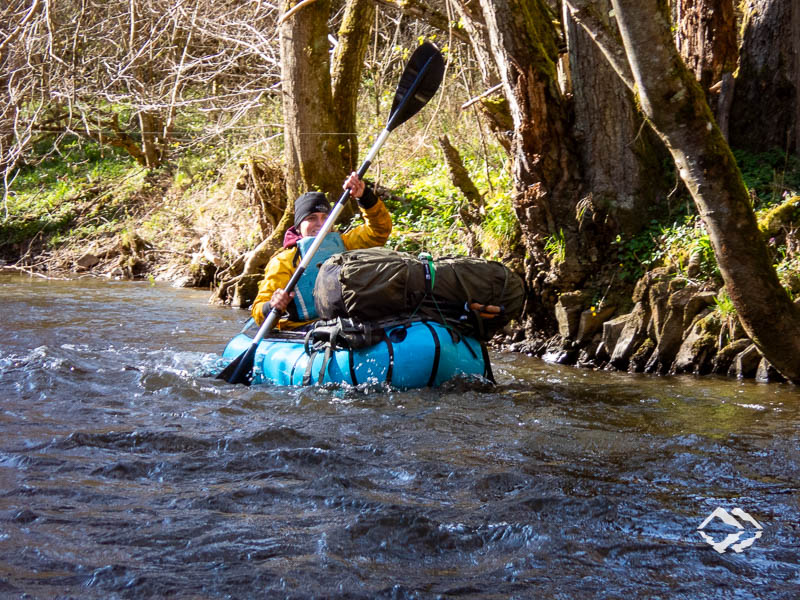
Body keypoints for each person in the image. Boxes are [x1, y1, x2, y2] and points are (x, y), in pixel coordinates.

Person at [251, 172, 392, 330]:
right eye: (311, 218)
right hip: (305, 328)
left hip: (346, 322)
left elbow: (380, 229)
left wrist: (364, 196)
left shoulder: (346, 244)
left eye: (325, 217)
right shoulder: (283, 261)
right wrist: (272, 305)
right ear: (298, 227)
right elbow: (258, 311)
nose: (320, 224)